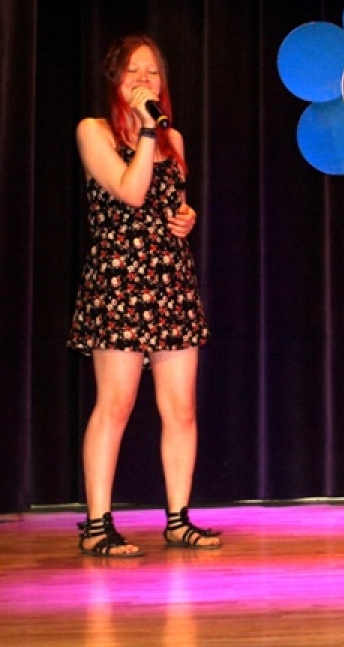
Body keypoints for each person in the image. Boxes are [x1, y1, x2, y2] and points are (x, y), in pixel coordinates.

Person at [68, 34, 220, 557]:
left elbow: (172, 204)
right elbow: (131, 192)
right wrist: (149, 132)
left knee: (181, 408)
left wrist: (185, 217)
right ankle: (96, 524)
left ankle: (178, 519)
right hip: (119, 280)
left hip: (170, 279)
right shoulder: (94, 131)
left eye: (152, 72)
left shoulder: (172, 139)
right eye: (133, 71)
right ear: (115, 78)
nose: (144, 80)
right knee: (115, 404)